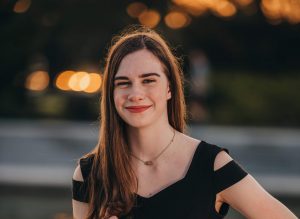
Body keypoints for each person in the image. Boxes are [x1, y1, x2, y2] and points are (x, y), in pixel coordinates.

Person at [72, 26, 298, 219]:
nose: (135, 93)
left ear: (169, 88)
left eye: (149, 80)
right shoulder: (90, 173)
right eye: (123, 83)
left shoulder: (211, 165)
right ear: (111, 93)